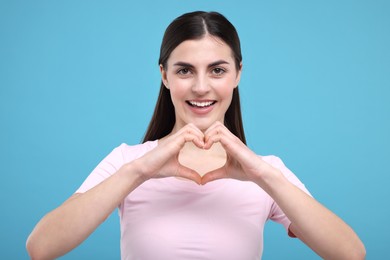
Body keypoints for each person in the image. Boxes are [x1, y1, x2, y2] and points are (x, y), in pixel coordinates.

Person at [26, 11, 366, 260]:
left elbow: (350, 253)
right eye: (185, 70)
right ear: (164, 76)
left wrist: (263, 176)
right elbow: (41, 247)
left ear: (237, 74)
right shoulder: (129, 162)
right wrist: (139, 172)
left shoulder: (265, 171)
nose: (201, 87)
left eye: (217, 70)